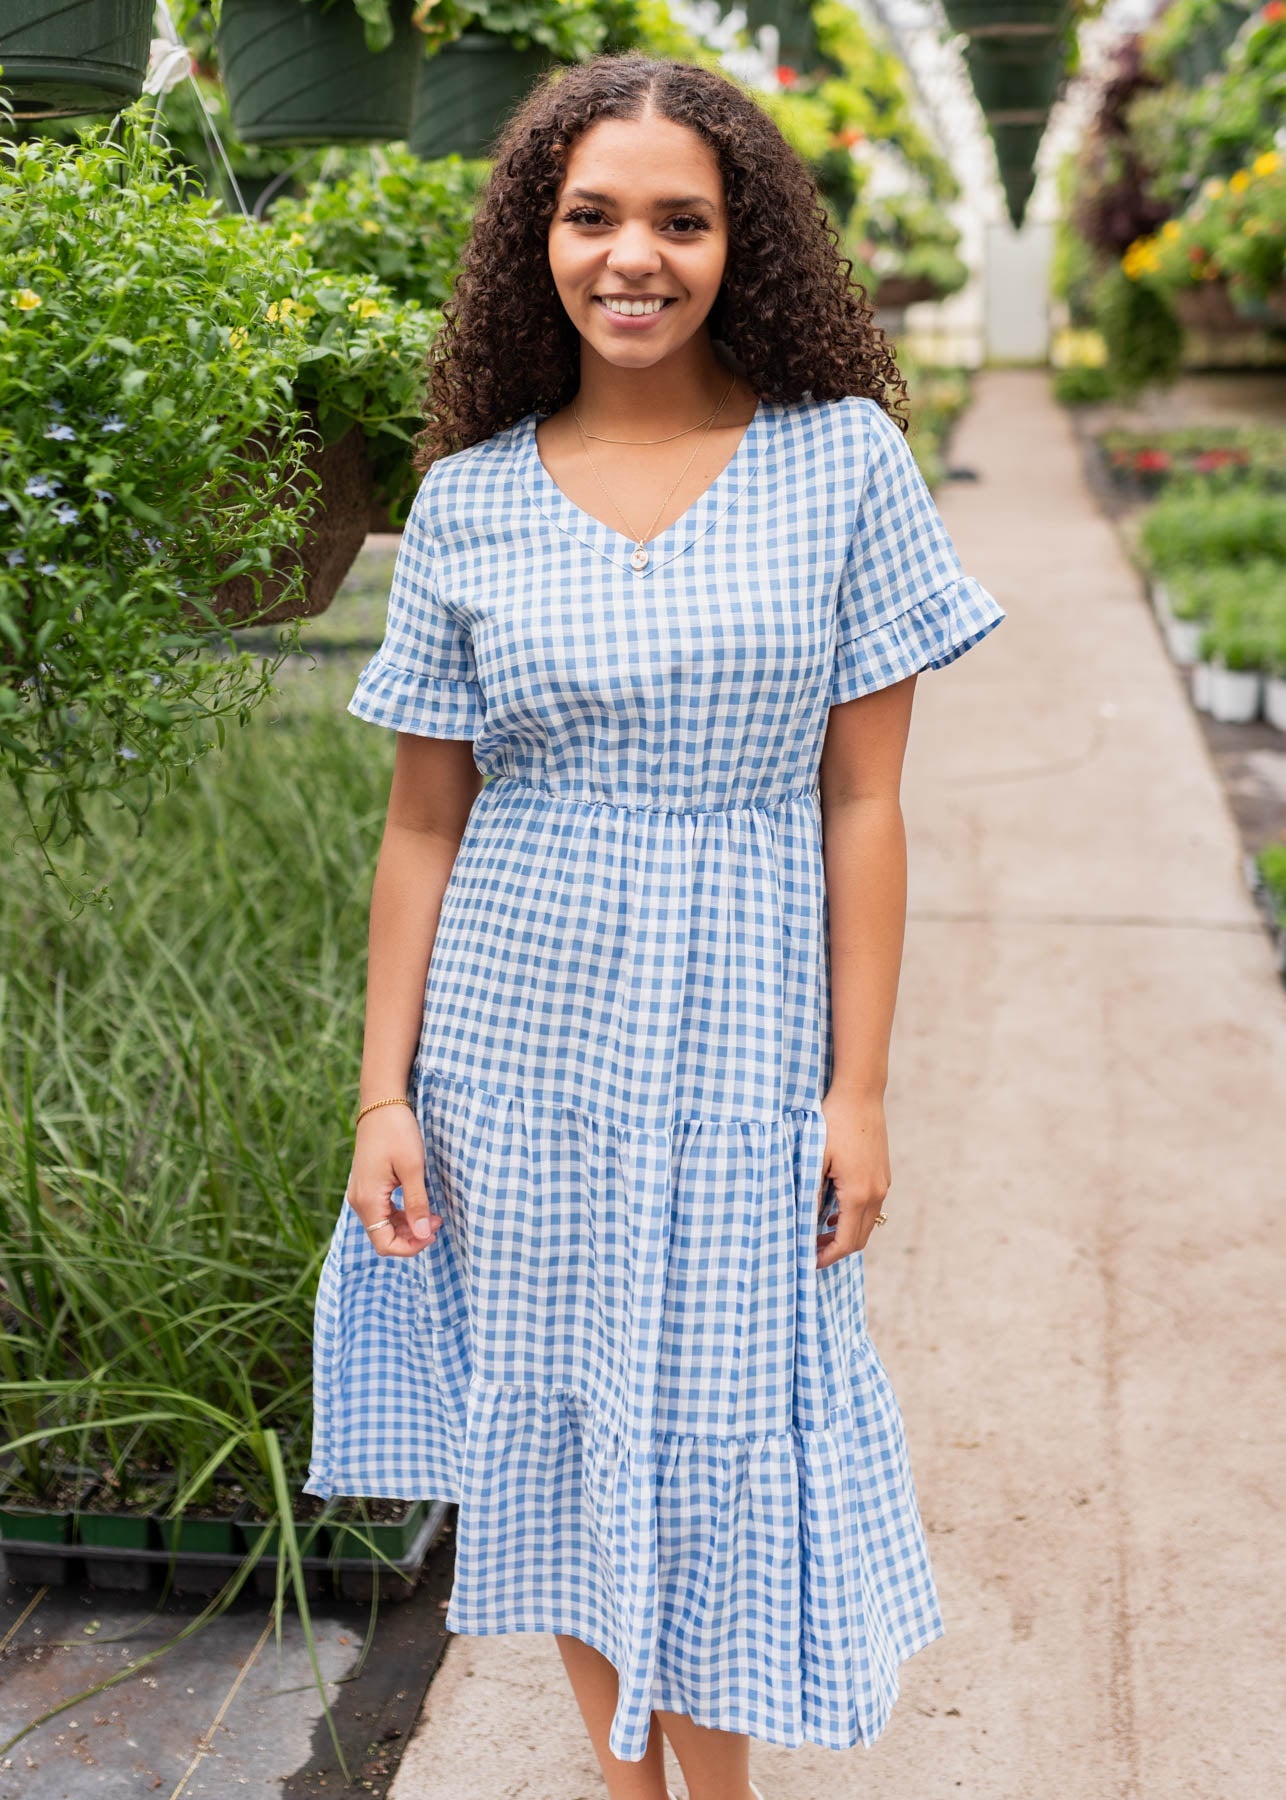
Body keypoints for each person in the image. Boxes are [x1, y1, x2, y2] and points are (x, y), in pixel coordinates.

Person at [306, 49, 1005, 1800]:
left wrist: (858, 1092)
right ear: (535, 239)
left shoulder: (840, 462)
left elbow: (863, 803)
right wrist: (384, 1094)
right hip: (515, 1043)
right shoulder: (467, 496)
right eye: (591, 216)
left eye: (680, 221)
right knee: (558, 1429)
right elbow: (422, 820)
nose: (633, 256)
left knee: (716, 1434)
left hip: (744, 1023)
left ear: (739, 241)